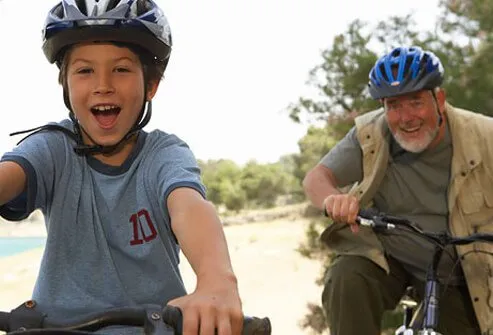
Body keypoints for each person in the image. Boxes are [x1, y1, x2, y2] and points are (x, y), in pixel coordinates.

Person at [0, 0, 243, 334]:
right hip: (50, 327)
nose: (103, 85)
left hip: (151, 326)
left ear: (151, 85)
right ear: (66, 88)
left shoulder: (163, 154)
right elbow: (8, 177)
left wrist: (217, 280)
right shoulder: (53, 147)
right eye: (85, 70)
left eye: (122, 69)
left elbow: (190, 207)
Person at [303, 45, 493, 335]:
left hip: (465, 274)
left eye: (415, 102)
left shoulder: (484, 136)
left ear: (439, 100)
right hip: (391, 258)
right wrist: (333, 200)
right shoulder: (370, 134)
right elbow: (316, 178)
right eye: (393, 106)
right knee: (346, 277)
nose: (405, 117)